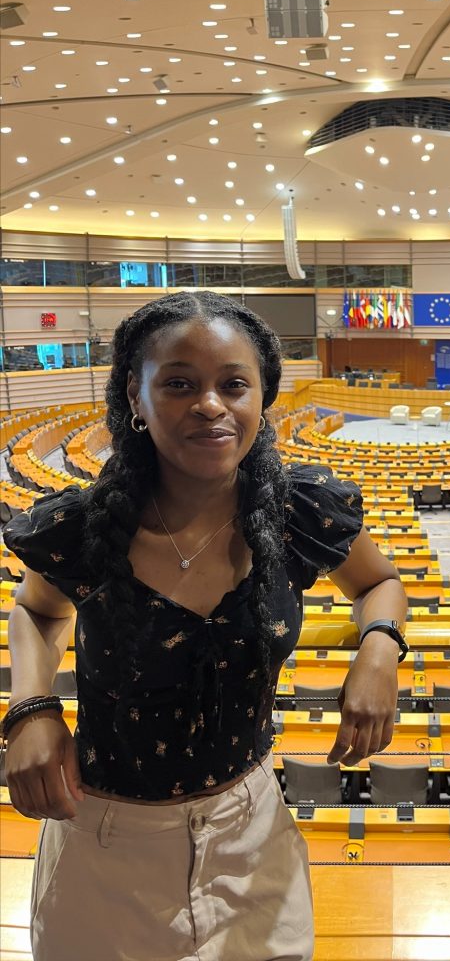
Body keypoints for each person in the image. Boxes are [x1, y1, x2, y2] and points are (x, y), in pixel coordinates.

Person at [3, 290, 408, 961]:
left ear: (260, 399)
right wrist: (32, 707)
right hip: (104, 841)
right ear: (134, 401)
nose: (211, 405)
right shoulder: (83, 527)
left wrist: (378, 651)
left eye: (232, 384)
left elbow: (378, 582)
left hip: (251, 831)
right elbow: (37, 610)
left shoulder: (296, 513)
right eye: (179, 385)